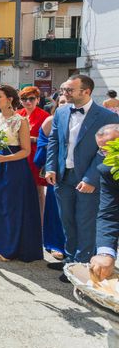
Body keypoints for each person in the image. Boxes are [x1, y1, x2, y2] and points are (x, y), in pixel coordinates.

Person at [46, 74, 119, 281]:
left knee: (85, 222)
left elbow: (107, 151)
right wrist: (51, 167)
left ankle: (83, 266)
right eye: (63, 90)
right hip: (62, 176)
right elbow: (54, 141)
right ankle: (70, 261)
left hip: (88, 179)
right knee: (67, 221)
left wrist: (91, 178)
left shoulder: (108, 116)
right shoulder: (60, 112)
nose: (64, 93)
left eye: (69, 90)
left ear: (86, 91)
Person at [0, 85, 43, 262]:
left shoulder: (21, 121)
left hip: (13, 168)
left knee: (10, 208)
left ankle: (10, 247)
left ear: (9, 99)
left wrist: (4, 159)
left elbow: (26, 151)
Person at [34, 94, 68, 261]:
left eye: (67, 101)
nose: (65, 104)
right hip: (57, 172)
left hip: (79, 173)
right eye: (61, 102)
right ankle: (55, 245)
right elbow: (41, 145)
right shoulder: (51, 121)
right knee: (56, 209)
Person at [90, 124, 119, 281]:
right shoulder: (108, 170)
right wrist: (105, 253)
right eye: (103, 151)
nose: (108, 156)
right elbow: (109, 214)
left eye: (113, 148)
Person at [17, 86, 50, 222]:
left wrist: (32, 139)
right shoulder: (18, 114)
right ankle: (24, 219)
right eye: (24, 99)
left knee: (38, 190)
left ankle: (41, 221)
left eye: (31, 99)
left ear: (37, 99)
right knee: (20, 188)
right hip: (20, 155)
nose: (28, 102)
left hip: (36, 156)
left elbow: (49, 139)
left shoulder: (44, 116)